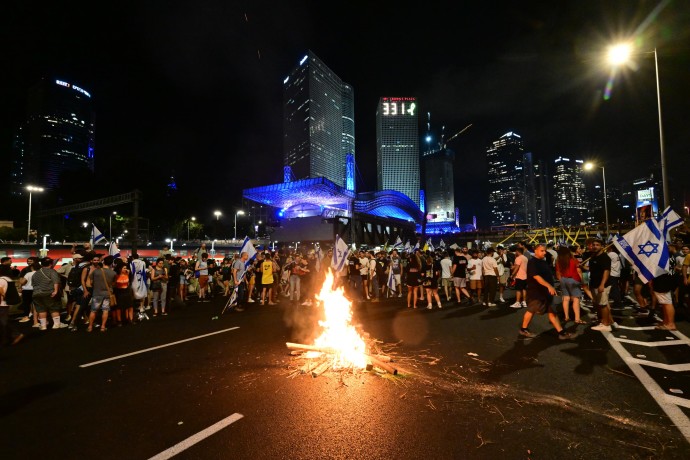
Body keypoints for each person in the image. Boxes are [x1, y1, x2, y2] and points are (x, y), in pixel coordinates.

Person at [518, 244, 572, 340]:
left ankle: (561, 332)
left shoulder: (543, 262)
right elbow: (536, 276)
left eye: (545, 251)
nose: (544, 252)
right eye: (542, 251)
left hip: (546, 293)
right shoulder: (532, 262)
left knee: (552, 311)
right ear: (535, 251)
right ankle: (523, 329)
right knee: (531, 310)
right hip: (536, 293)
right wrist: (549, 286)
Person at [31, 257, 66, 330]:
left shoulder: (36, 273)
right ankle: (56, 324)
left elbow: (33, 284)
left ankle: (43, 326)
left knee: (41, 309)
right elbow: (56, 281)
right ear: (51, 264)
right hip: (48, 292)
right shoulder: (52, 271)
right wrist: (56, 291)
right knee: (54, 308)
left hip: (36, 293)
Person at [588, 238, 615, 331]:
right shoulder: (593, 257)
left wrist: (602, 284)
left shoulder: (605, 257)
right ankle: (608, 321)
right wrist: (582, 266)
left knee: (603, 304)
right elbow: (592, 269)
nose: (595, 246)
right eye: (594, 245)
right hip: (594, 283)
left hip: (602, 284)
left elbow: (606, 271)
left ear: (602, 247)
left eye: (597, 245)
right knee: (600, 304)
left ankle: (606, 324)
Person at [555, 246, 586, 325]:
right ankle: (577, 319)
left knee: (566, 298)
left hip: (563, 279)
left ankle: (566, 317)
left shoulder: (558, 261)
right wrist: (582, 281)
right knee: (576, 299)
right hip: (573, 279)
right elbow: (579, 271)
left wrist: (561, 280)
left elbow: (558, 273)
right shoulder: (573, 260)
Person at [86, 257, 117, 332]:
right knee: (105, 310)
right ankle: (103, 327)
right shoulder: (113, 273)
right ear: (111, 263)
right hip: (107, 294)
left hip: (97, 293)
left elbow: (91, 282)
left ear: (103, 262)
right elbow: (114, 284)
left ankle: (90, 327)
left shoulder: (96, 271)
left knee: (93, 310)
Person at [0, 264, 24, 345]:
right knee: (4, 321)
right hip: (6, 303)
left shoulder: (1, 280)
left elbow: (1, 292)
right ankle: (9, 337)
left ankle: (16, 335)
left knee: (4, 321)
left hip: (2, 303)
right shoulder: (8, 279)